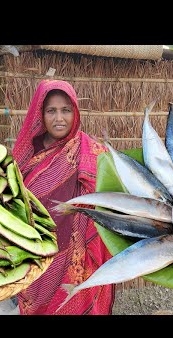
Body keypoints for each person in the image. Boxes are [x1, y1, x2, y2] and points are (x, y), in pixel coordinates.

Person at [12, 79, 115, 315]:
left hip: (78, 260)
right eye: (51, 111)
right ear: (41, 114)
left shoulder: (93, 152)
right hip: (38, 255)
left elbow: (111, 199)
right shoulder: (26, 156)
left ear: (75, 112)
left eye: (66, 110)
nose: (59, 118)